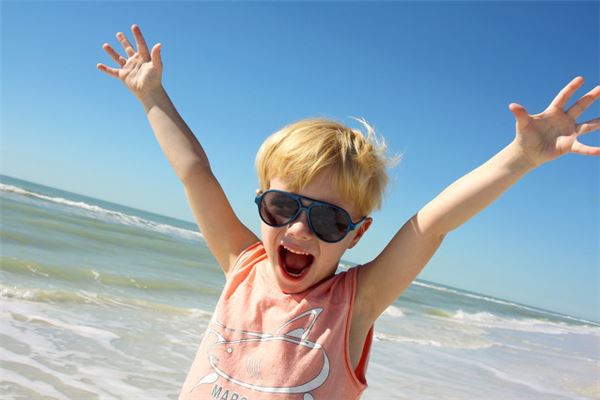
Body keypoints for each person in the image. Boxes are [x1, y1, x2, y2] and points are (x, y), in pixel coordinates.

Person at [97, 24, 600, 400]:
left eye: (328, 220)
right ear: (262, 204)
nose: (299, 228)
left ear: (356, 235)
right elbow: (196, 173)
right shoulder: (241, 266)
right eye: (282, 206)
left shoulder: (354, 305)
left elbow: (431, 225)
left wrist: (520, 158)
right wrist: (152, 96)